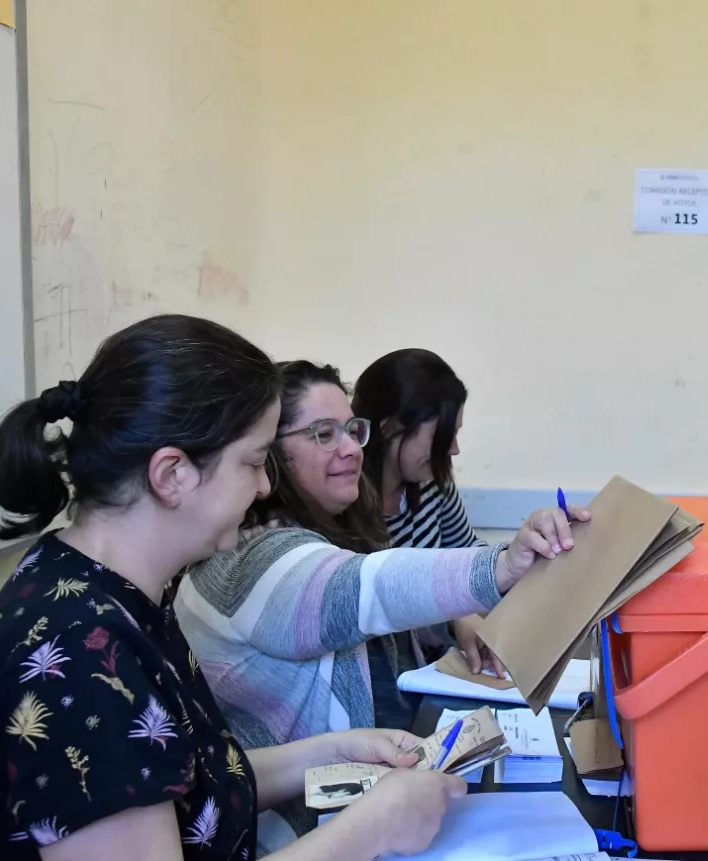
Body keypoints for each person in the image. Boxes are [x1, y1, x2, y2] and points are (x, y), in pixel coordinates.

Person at [0, 315, 466, 861]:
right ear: (171, 475)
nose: (263, 486)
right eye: (253, 463)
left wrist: (335, 751)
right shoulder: (83, 658)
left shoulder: (112, 591)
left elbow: (188, 779)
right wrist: (374, 827)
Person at [173, 359, 586, 854]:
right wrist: (500, 565)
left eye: (350, 429)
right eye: (323, 434)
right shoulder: (254, 555)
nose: (350, 448)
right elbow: (366, 589)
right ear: (271, 455)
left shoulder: (335, 523)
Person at [351, 348, 503, 677]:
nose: (454, 449)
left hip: (436, 663)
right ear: (390, 427)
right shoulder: (347, 500)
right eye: (444, 435)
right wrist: (455, 610)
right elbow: (377, 601)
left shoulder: (433, 482)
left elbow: (464, 553)